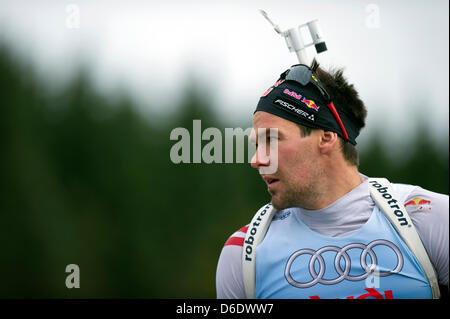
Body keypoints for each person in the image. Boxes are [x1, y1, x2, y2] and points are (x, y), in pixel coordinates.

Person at [215, 60, 449, 299]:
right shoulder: (244, 251)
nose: (257, 160)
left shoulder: (429, 217)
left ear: (326, 138)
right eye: (257, 144)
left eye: (272, 140)